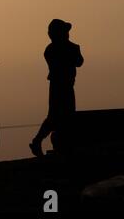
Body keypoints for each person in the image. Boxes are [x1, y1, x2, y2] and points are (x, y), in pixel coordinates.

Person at [30, 19, 84, 157]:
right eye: (65, 32)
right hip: (59, 86)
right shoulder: (53, 49)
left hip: (65, 85)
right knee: (55, 116)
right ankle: (38, 141)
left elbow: (79, 61)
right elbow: (76, 61)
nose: (67, 35)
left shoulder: (56, 49)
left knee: (65, 116)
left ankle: (58, 143)